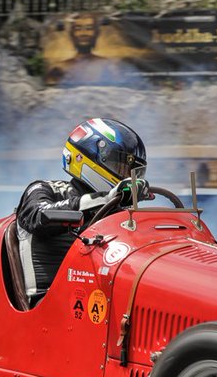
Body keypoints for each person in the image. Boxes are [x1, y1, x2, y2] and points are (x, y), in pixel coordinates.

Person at [16, 117, 147, 305]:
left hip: (97, 300)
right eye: (122, 167)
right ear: (88, 156)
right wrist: (106, 199)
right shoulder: (44, 189)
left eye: (131, 171)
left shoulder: (116, 208)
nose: (127, 177)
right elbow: (38, 215)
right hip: (49, 306)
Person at [46, 14, 126, 86]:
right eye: (78, 28)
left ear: (96, 33)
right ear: (71, 34)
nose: (83, 33)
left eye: (89, 28)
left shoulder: (109, 65)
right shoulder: (59, 67)